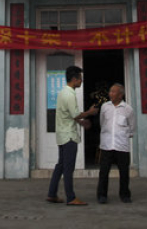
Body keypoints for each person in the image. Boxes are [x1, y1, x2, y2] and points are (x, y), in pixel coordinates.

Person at [46, 65, 99, 206]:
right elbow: (75, 114)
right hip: (68, 136)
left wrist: (81, 122)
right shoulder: (70, 94)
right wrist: (89, 112)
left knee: (61, 165)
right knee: (68, 168)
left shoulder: (63, 92)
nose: (81, 81)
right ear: (74, 79)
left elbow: (69, 115)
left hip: (62, 134)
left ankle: (52, 194)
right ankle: (71, 197)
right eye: (80, 79)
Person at [96, 83, 136, 204]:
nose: (110, 94)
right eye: (110, 91)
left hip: (121, 145)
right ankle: (102, 195)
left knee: (124, 172)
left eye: (113, 92)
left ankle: (125, 195)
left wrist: (123, 135)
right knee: (104, 171)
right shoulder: (105, 107)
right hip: (107, 144)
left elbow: (132, 127)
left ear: (120, 95)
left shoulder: (128, 109)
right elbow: (102, 123)